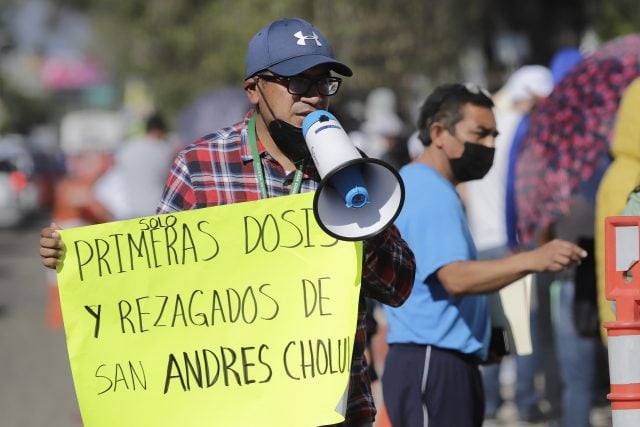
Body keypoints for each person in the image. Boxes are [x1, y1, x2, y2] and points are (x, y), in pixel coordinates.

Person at [39, 17, 416, 427]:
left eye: (323, 82)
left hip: (334, 413)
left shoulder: (350, 166)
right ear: (253, 89)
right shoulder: (200, 166)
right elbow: (155, 289)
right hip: (237, 410)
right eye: (297, 82)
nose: (313, 98)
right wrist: (78, 260)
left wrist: (359, 208)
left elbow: (398, 287)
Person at [381, 83, 587, 427]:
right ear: (438, 133)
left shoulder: (431, 187)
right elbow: (455, 277)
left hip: (444, 361)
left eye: (494, 134)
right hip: (433, 364)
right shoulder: (427, 190)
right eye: (480, 133)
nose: (490, 145)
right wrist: (532, 259)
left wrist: (483, 338)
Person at [465, 65, 553, 422]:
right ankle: (525, 401)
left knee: (495, 332)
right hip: (512, 244)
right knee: (523, 331)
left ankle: (489, 404)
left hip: (479, 242)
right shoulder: (521, 130)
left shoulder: (476, 127)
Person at [94, 111, 174, 220]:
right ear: (161, 130)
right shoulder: (164, 149)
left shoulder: (127, 148)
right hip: (157, 211)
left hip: (130, 212)